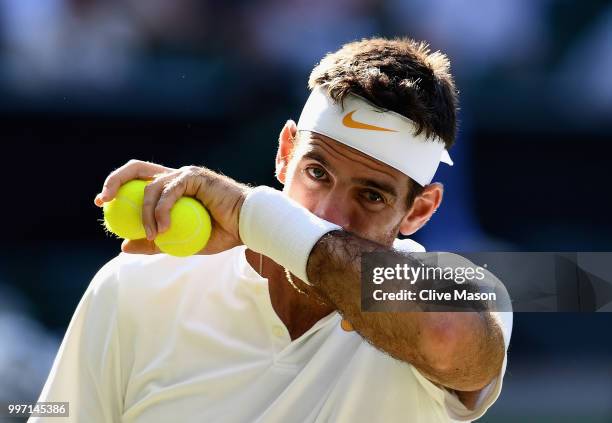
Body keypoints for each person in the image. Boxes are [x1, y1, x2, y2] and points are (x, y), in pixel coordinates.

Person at [32, 37, 512, 422]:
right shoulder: (134, 286)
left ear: (420, 210)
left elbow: (448, 335)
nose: (329, 214)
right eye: (317, 173)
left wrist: (252, 215)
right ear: (285, 152)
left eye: (371, 196)